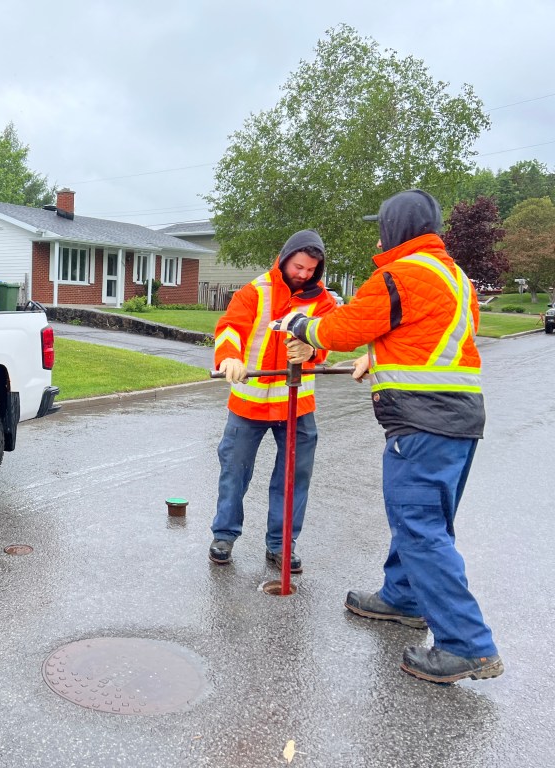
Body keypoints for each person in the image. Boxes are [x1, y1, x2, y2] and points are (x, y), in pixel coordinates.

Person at [272, 189, 502, 684]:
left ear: (399, 227)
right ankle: (404, 597)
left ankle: (468, 645)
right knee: (424, 520)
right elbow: (431, 336)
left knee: (420, 526)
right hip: (458, 420)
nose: (379, 234)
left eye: (383, 225)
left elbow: (343, 328)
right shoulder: (453, 275)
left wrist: (298, 323)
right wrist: (378, 356)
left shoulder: (402, 273)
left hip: (423, 421)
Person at [209, 229, 337, 573]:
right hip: (249, 403)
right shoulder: (256, 291)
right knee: (234, 471)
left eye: (311, 269)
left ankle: (281, 545)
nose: (304, 275)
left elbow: (328, 338)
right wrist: (229, 357)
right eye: (299, 266)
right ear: (284, 259)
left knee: (294, 477)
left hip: (297, 406)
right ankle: (224, 535)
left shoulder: (323, 300)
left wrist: (313, 349)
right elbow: (229, 328)